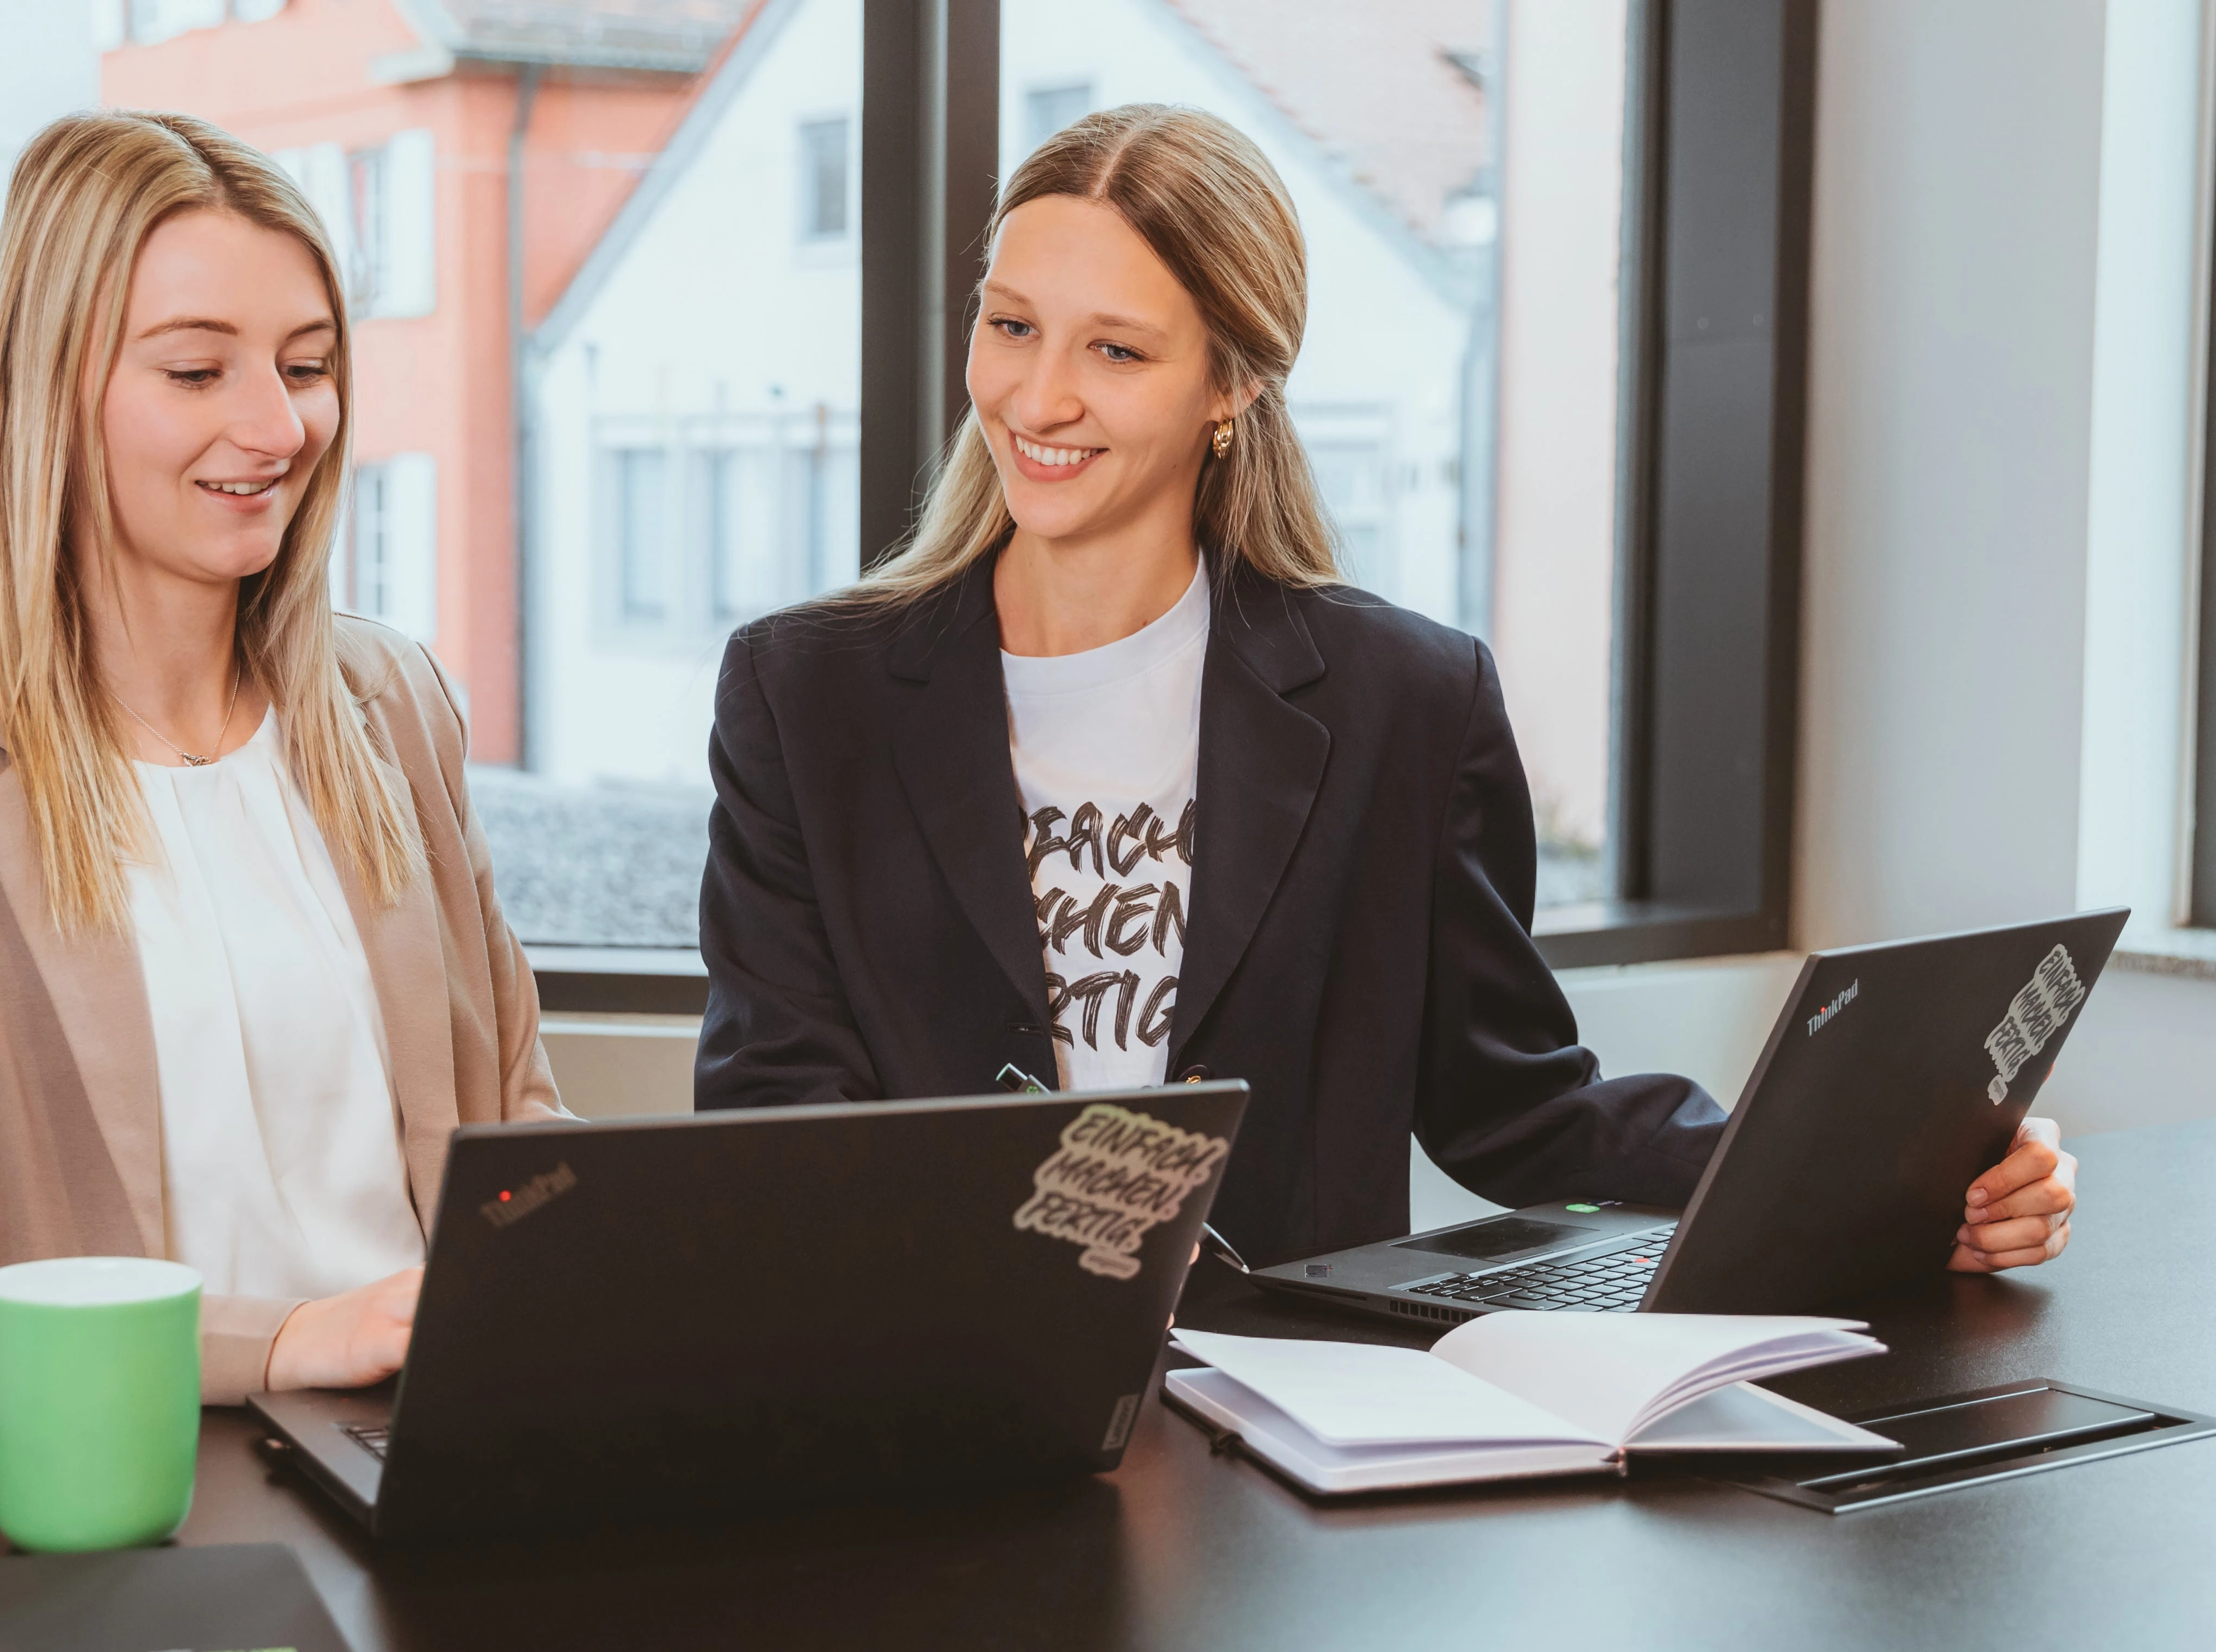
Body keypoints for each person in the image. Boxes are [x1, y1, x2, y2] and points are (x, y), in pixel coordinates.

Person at [695, 104, 2073, 1276]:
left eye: (1114, 350)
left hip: (1286, 1447)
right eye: (1011, 325)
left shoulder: (1403, 700)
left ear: (1230, 383)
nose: (1036, 397)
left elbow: (1516, 1106)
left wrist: (1900, 1177)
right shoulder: (804, 696)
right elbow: (771, 1121)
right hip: (943, 1425)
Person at [0, 112, 562, 1464]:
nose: (276, 426)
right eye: (195, 370)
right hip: (53, 1505)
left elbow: (515, 1142)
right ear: (52, 386)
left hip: (400, 1462)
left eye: (306, 365)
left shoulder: (390, 704)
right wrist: (277, 1344)